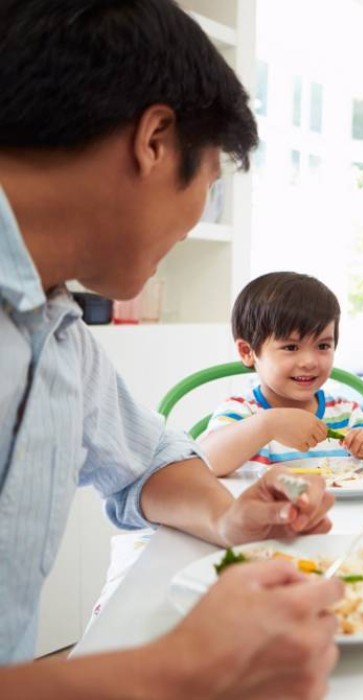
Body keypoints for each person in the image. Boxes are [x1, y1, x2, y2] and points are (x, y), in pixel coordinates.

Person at [0, 1, 340, 696]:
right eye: (210, 186)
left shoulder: (57, 330)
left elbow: (145, 464)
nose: (197, 221)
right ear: (155, 140)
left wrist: (227, 514)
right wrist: (178, 667)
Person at [199, 272, 363, 476]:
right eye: (291, 347)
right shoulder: (240, 412)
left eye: (323, 345)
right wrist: (269, 424)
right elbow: (206, 462)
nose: (309, 362)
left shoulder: (346, 414)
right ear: (248, 352)